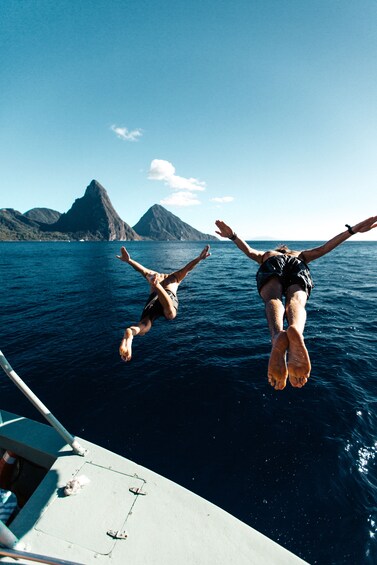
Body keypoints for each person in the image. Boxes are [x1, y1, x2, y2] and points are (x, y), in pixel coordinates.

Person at [215, 216, 377, 391]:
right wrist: (352, 231)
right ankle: (296, 331)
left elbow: (248, 251)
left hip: (271, 264)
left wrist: (233, 236)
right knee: (296, 301)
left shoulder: (268, 254)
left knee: (273, 299)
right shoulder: (300, 254)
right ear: (287, 249)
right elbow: (326, 247)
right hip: (298, 264)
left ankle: (277, 336)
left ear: (279, 249)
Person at [117, 245, 211, 362]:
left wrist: (129, 261)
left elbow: (140, 269)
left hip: (154, 298)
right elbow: (188, 268)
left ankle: (131, 332)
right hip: (167, 296)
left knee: (145, 323)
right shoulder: (175, 277)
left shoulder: (152, 274)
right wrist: (199, 258)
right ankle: (157, 288)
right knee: (170, 313)